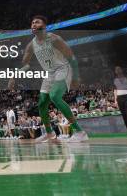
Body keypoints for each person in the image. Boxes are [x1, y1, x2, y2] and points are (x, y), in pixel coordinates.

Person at [9, 15, 88, 143]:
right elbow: (26, 64)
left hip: (63, 68)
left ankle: (80, 132)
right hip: (49, 73)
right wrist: (14, 75)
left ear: (44, 26)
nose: (33, 24)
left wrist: (76, 76)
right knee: (42, 103)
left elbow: (71, 56)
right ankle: (50, 133)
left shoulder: (55, 39)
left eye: (37, 22)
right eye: (32, 22)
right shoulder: (31, 45)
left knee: (55, 96)